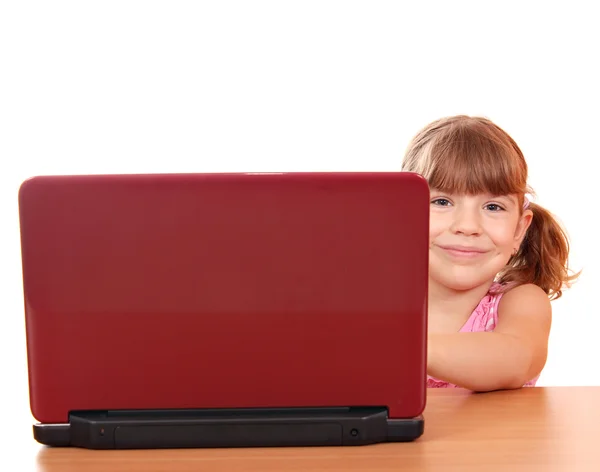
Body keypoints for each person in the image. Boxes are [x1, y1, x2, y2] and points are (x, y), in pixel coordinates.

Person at [401, 115, 579, 391]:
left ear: (519, 231)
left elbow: (517, 358)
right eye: (442, 201)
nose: (467, 226)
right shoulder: (377, 302)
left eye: (493, 207)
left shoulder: (520, 301)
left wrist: (400, 349)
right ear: (403, 213)